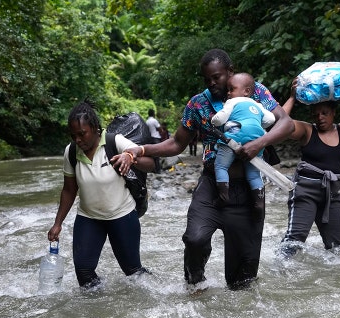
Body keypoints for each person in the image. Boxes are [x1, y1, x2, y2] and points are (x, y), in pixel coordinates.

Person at [124, 48, 293, 291]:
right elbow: (176, 143)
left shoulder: (254, 91)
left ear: (230, 72)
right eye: (207, 79)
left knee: (241, 281)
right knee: (194, 238)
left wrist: (259, 143)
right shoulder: (198, 103)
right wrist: (140, 150)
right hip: (212, 183)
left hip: (248, 190)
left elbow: (285, 123)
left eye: (217, 77)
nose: (212, 83)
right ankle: (196, 285)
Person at [47, 101, 155, 289]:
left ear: (95, 128)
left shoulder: (115, 141)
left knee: (132, 271)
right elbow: (69, 190)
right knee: (84, 271)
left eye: (82, 134)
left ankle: (158, 291)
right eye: (73, 136)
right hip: (89, 217)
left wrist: (130, 157)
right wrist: (58, 223)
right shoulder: (71, 152)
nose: (78, 140)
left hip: (122, 215)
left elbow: (151, 163)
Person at [279, 79, 340, 257]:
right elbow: (281, 124)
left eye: (324, 113)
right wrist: (292, 97)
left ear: (333, 113)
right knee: (294, 241)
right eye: (316, 114)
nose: (320, 117)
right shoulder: (307, 130)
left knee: (338, 248)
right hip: (305, 192)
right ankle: (280, 271)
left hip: (332, 195)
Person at [211, 72, 275, 216]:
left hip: (235, 135)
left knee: (221, 166)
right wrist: (257, 122)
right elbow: (270, 119)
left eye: (231, 89)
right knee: (253, 174)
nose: (228, 93)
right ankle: (259, 203)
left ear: (246, 91)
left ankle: (223, 196)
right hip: (256, 140)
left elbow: (220, 119)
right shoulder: (257, 104)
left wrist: (213, 120)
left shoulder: (232, 102)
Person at [146, 109, 163, 173]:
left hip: (150, 138)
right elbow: (159, 128)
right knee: (157, 154)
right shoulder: (154, 120)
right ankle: (158, 169)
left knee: (152, 154)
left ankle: (153, 169)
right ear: (153, 114)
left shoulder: (147, 121)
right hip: (156, 138)